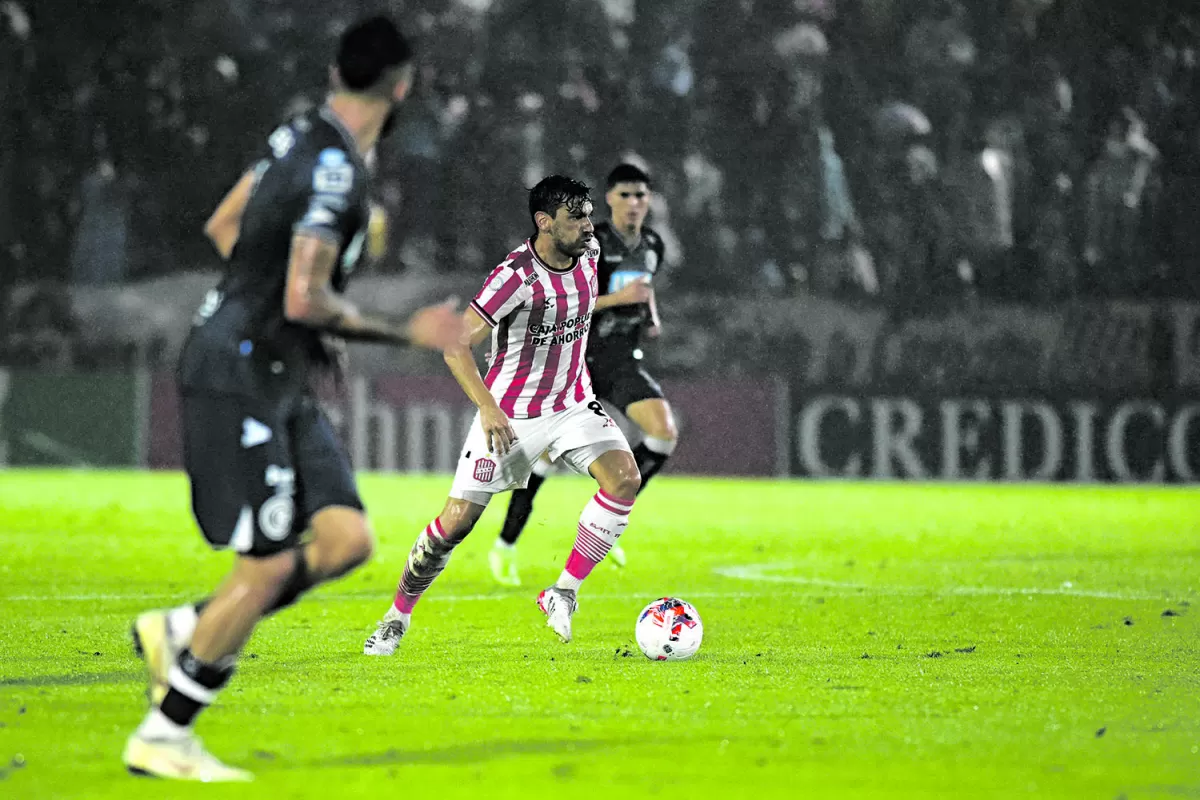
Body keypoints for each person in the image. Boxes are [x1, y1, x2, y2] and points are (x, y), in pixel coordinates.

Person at [122, 16, 462, 782]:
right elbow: (307, 297)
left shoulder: (297, 135)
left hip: (275, 367)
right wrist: (407, 331)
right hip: (241, 367)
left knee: (346, 541)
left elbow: (225, 226)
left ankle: (182, 629)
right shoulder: (341, 171)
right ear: (403, 84)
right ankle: (165, 732)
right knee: (268, 567)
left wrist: (275, 303)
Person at [363, 175, 642, 654]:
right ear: (544, 222)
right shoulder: (514, 277)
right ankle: (396, 616)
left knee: (624, 479)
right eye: (576, 217)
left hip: (573, 402)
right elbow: (455, 344)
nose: (588, 226)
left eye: (588, 214)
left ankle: (563, 591)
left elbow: (581, 302)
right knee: (455, 525)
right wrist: (488, 409)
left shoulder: (590, 255)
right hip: (511, 418)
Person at [487, 163, 676, 586]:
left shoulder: (652, 244)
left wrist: (650, 313)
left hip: (622, 359)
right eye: (625, 195)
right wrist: (621, 298)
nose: (633, 203)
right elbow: (572, 301)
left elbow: (645, 286)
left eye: (641, 195)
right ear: (608, 199)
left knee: (663, 433)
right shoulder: (591, 241)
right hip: (576, 359)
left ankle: (608, 514)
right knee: (546, 462)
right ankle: (506, 543)